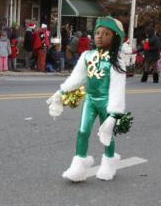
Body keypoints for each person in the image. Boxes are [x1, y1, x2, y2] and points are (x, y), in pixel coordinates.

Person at [46, 16, 128, 182]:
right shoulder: (87, 55)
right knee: (83, 131)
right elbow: (77, 78)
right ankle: (79, 165)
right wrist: (61, 92)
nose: (99, 36)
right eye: (97, 32)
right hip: (90, 100)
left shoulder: (116, 60)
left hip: (107, 102)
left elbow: (118, 88)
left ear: (114, 38)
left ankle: (109, 161)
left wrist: (115, 113)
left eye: (105, 34)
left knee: (107, 133)